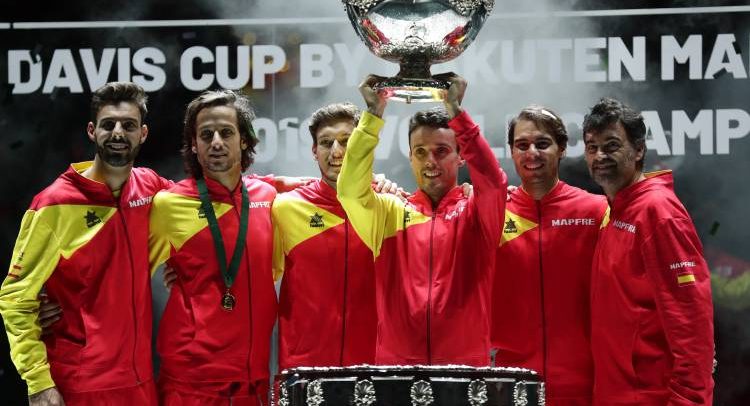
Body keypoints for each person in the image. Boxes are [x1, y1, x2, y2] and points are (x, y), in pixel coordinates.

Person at [0, 82, 167, 405]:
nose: (118, 133)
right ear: (92, 131)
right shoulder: (54, 204)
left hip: (139, 385)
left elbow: (200, 202)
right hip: (78, 387)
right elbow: (16, 299)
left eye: (128, 125)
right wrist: (39, 383)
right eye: (108, 125)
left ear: (143, 134)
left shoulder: (151, 186)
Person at [336, 73, 507, 366]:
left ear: (461, 156)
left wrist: (456, 112)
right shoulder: (390, 213)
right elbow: (350, 190)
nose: (430, 161)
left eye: (441, 151)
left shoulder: (477, 213)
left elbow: (493, 183)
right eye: (421, 152)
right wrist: (373, 114)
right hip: (396, 373)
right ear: (411, 158)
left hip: (464, 373)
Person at [148, 90, 277, 405]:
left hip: (253, 382)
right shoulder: (169, 204)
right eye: (206, 134)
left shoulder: (269, 198)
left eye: (226, 132)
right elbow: (123, 268)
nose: (216, 141)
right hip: (191, 384)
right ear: (194, 144)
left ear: (244, 140)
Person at [583, 97, 714, 405]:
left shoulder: (658, 210)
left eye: (612, 145)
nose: (599, 155)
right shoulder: (615, 210)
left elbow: (690, 319)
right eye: (592, 147)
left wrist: (689, 400)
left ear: (639, 150)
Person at [491, 105, 608, 405]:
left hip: (585, 384)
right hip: (511, 384)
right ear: (512, 152)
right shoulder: (490, 213)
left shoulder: (596, 211)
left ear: (562, 149)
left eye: (542, 144)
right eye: (522, 145)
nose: (532, 153)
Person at [272, 102, 387, 371]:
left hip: (374, 370)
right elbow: (250, 272)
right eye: (326, 142)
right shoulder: (286, 207)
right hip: (304, 371)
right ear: (314, 151)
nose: (336, 151)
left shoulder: (388, 205)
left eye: (346, 141)